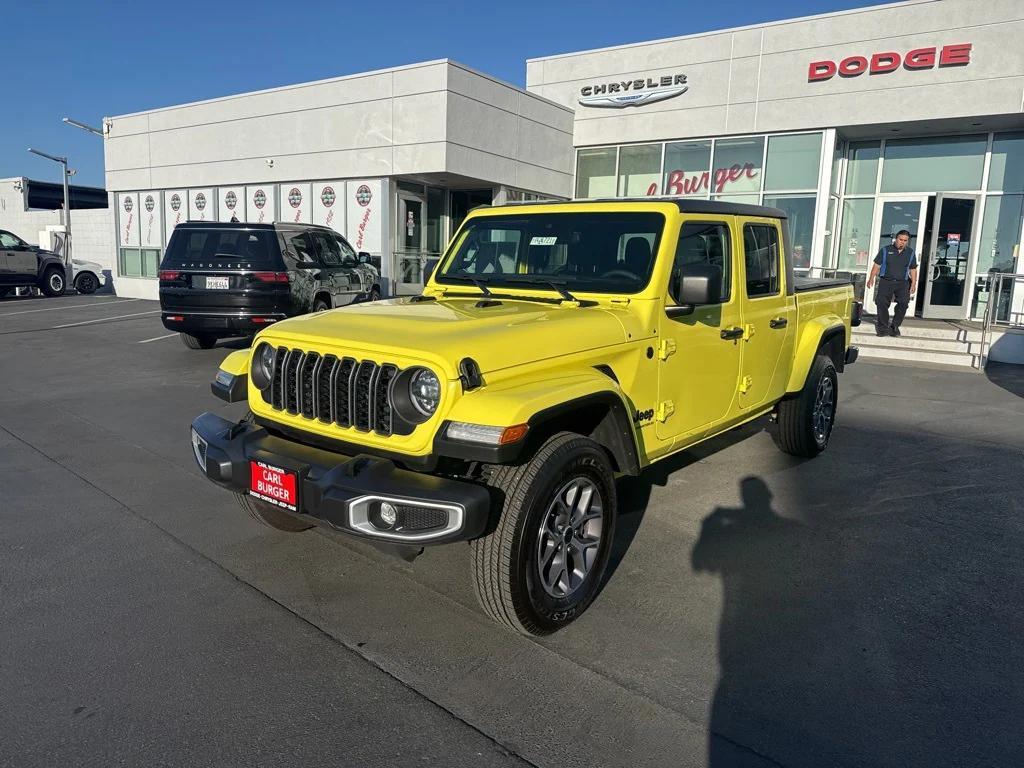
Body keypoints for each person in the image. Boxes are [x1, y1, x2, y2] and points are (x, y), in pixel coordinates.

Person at [866, 229, 918, 336]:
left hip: (902, 283)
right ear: (896, 239)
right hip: (886, 281)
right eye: (900, 239)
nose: (902, 242)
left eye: (905, 240)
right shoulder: (885, 250)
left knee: (903, 303)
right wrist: (871, 278)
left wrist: (913, 283)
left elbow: (913, 269)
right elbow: (877, 265)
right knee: (881, 302)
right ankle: (883, 327)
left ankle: (895, 326)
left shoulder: (910, 253)